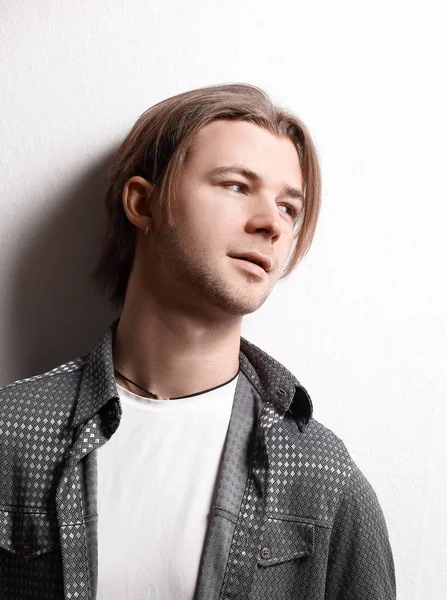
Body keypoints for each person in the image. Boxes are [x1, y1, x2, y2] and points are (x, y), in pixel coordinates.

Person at [0, 83, 396, 600]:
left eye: (289, 208)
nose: (271, 224)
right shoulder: (14, 433)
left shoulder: (321, 476)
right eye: (235, 185)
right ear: (143, 203)